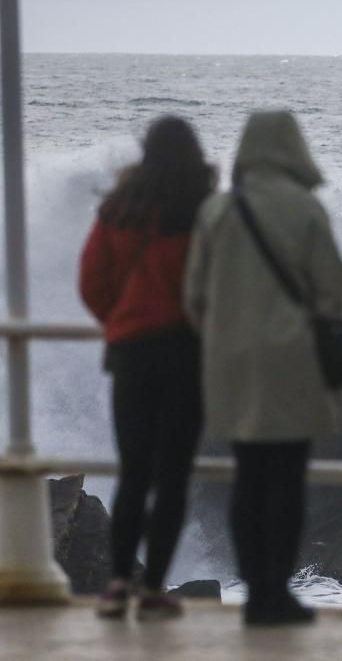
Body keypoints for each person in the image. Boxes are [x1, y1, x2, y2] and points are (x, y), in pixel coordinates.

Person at [184, 111, 342, 626]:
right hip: (291, 361)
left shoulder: (216, 210)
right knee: (286, 480)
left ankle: (255, 591)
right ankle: (276, 592)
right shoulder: (305, 208)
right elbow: (333, 291)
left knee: (247, 476)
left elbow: (193, 296)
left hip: (230, 362)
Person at [80, 116, 214, 620]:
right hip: (187, 353)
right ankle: (155, 587)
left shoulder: (119, 209)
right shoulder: (203, 211)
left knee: (134, 473)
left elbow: (92, 281)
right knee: (174, 476)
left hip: (132, 354)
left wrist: (119, 321)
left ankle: (117, 585)